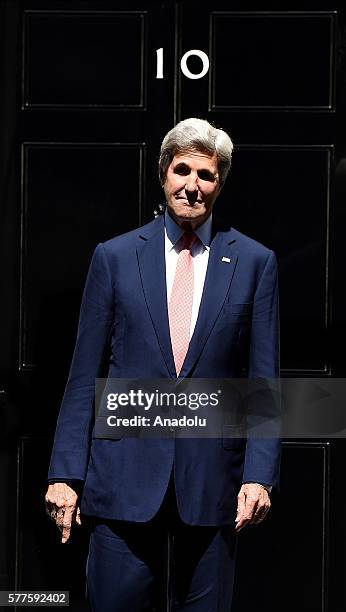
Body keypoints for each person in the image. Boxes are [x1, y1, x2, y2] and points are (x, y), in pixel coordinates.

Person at [45, 118, 281, 611]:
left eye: (207, 175)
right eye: (182, 170)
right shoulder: (114, 257)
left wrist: (259, 475)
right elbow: (82, 375)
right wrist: (65, 475)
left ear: (221, 183)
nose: (192, 186)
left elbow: (263, 382)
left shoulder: (256, 262)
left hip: (213, 483)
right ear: (163, 173)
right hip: (123, 480)